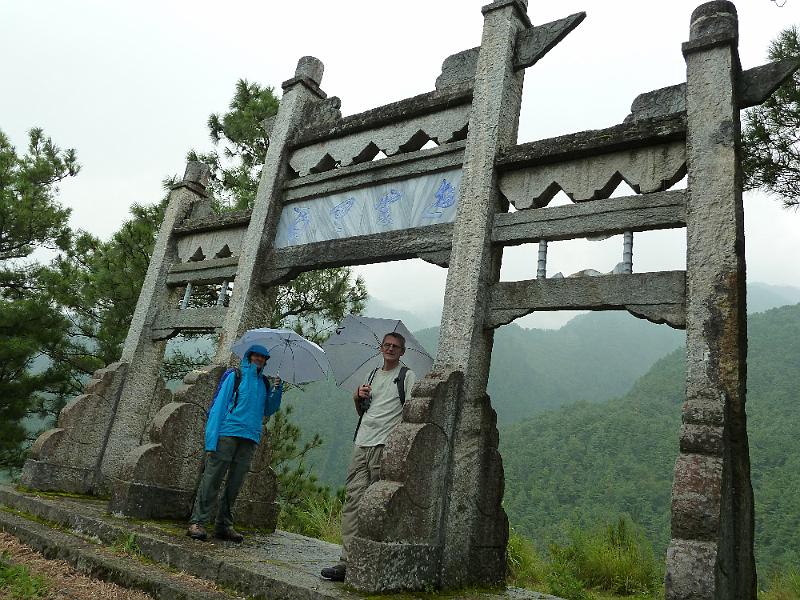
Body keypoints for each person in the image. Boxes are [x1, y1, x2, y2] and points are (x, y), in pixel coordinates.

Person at [320, 332, 416, 582]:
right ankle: (346, 561)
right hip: (361, 442)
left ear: (402, 352)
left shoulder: (406, 376)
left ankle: (369, 557)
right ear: (380, 347)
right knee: (353, 500)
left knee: (375, 503)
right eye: (387, 345)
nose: (391, 349)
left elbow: (412, 413)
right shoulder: (371, 375)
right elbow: (362, 411)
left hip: (384, 446)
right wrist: (356, 398)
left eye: (396, 346)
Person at [187, 344, 282, 542]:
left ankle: (224, 525)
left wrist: (278, 389)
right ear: (249, 357)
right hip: (228, 434)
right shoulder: (235, 376)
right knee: (212, 478)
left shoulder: (265, 383)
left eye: (263, 358)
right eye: (256, 356)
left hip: (249, 438)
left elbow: (269, 409)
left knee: (235, 483)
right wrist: (211, 440)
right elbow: (218, 406)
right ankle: (198, 522)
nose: (259, 359)